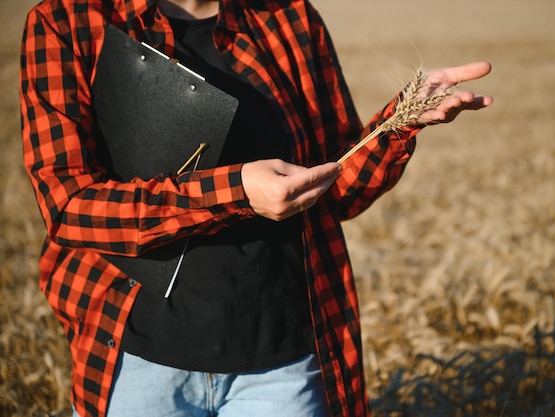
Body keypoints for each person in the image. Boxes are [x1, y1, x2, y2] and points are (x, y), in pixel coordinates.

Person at [19, 0, 492, 416]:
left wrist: (399, 123)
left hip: (283, 369)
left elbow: (338, 189)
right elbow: (70, 207)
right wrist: (237, 192)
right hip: (140, 364)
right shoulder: (68, 23)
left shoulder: (288, 17)